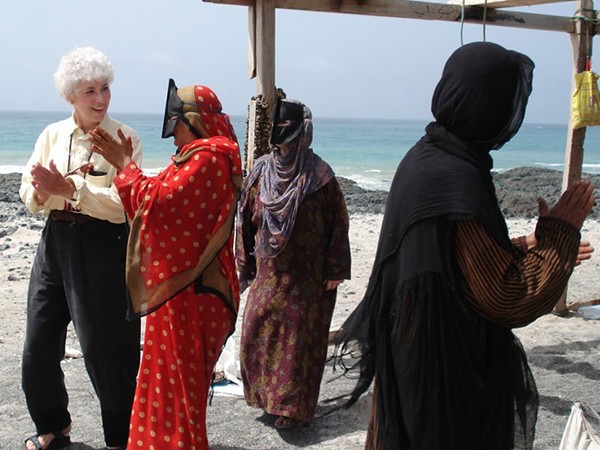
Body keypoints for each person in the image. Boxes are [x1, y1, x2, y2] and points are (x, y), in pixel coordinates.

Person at [332, 41, 596, 449]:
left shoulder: (426, 156)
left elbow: (447, 255)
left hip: (415, 351)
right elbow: (507, 296)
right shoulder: (456, 176)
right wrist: (560, 235)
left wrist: (529, 244)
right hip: (444, 367)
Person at [90, 79, 242, 450]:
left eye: (176, 124)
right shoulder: (202, 157)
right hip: (183, 289)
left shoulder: (209, 158)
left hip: (194, 291)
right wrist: (128, 169)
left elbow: (157, 205)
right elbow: (159, 201)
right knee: (167, 383)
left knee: (178, 388)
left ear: (195, 121)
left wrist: (124, 165)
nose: (172, 134)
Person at [19, 47, 142, 450]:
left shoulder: (126, 139)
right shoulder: (51, 135)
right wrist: (42, 192)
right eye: (89, 91)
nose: (101, 99)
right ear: (70, 95)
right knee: (38, 345)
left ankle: (122, 441)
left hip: (104, 247)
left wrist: (70, 189)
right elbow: (28, 191)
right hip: (55, 242)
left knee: (106, 352)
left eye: (105, 88)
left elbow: (126, 207)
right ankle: (53, 428)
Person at [236, 97, 352, 429]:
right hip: (270, 272)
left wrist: (335, 269)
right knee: (257, 331)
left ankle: (291, 410)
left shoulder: (319, 176)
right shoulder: (261, 172)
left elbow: (338, 223)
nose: (284, 146)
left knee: (298, 342)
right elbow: (244, 218)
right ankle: (266, 399)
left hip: (307, 277)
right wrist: (245, 265)